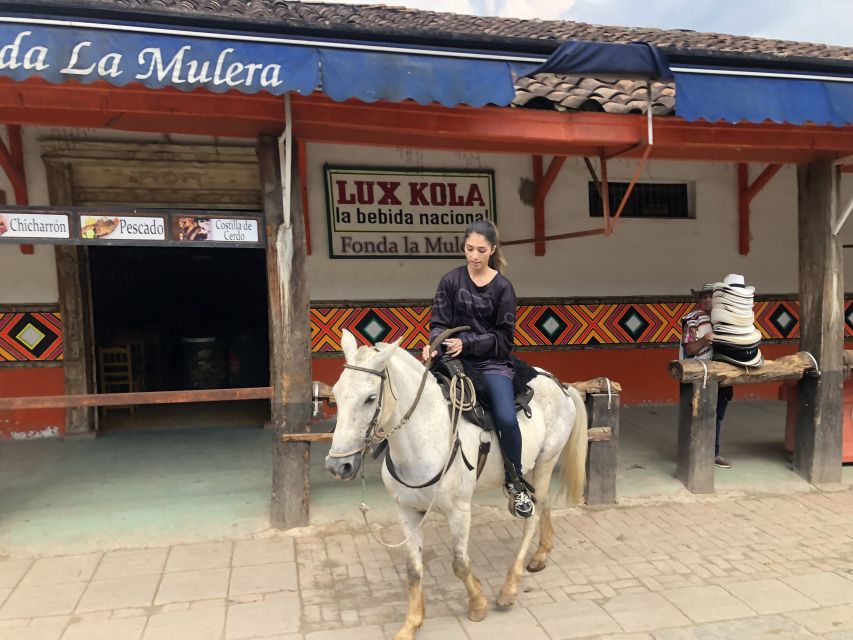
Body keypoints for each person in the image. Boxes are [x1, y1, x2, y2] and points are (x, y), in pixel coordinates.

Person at [422, 220, 534, 519]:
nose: (474, 255)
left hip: (491, 361)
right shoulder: (450, 281)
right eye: (469, 249)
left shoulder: (503, 287)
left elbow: (504, 338)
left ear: (493, 250)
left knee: (507, 418)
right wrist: (434, 344)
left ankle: (516, 480)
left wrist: (467, 344)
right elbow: (438, 322)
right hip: (452, 358)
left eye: (481, 250)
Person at [680, 283, 733, 469]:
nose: (707, 300)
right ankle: (694, 453)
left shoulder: (730, 320)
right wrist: (704, 340)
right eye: (704, 297)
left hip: (723, 375)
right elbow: (688, 348)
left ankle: (714, 453)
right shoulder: (693, 320)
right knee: (698, 414)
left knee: (717, 416)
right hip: (700, 374)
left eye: (711, 296)